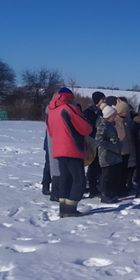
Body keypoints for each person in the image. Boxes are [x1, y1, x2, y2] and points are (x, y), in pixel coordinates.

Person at [45, 87, 93, 217]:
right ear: (70, 98)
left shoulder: (50, 111)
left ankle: (63, 208)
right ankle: (71, 209)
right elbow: (86, 129)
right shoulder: (69, 108)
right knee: (79, 180)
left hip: (58, 149)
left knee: (65, 178)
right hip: (72, 148)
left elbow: (50, 132)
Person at [95, 105, 123, 204]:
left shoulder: (110, 125)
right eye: (114, 114)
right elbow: (98, 140)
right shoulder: (103, 125)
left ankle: (110, 193)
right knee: (106, 176)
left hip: (113, 155)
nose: (115, 116)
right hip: (106, 155)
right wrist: (112, 145)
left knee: (111, 175)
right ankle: (105, 195)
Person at [83, 91, 106, 197]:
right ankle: (92, 187)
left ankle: (100, 186)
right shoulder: (89, 112)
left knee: (101, 165)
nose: (104, 101)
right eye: (102, 99)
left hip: (103, 142)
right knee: (93, 165)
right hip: (92, 142)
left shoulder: (105, 111)